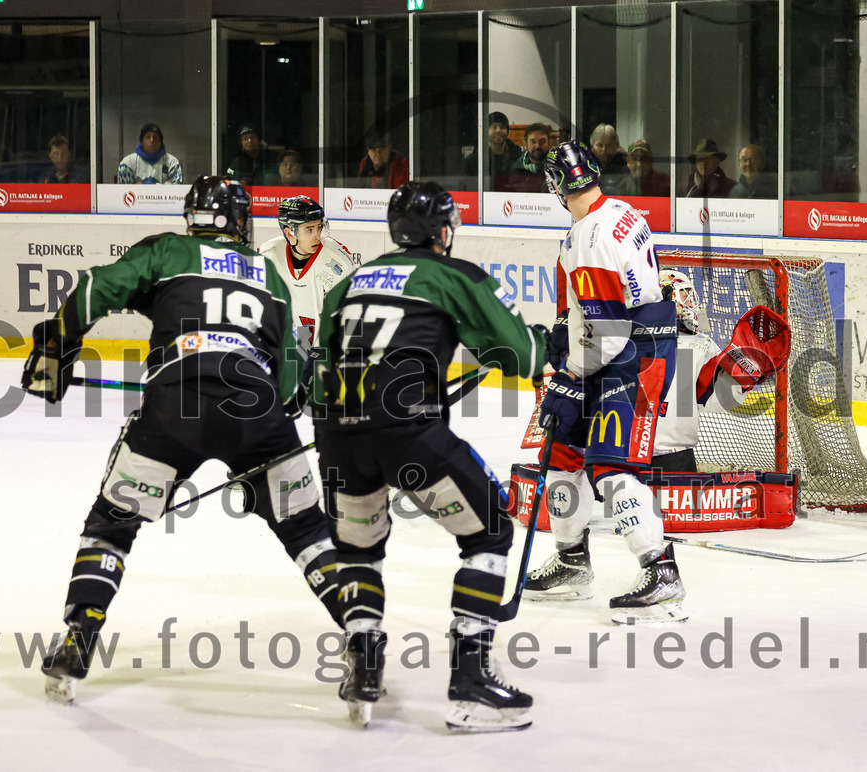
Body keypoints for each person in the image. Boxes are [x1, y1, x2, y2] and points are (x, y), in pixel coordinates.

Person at [24, 175, 342, 704]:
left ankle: (78, 638)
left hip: (175, 406)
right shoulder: (267, 271)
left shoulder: (168, 251)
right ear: (240, 222)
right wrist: (281, 417)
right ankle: (362, 643)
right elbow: (290, 383)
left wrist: (58, 345)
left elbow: (91, 289)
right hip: (258, 414)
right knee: (308, 528)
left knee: (113, 523)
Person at [312, 181, 547, 732]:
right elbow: (519, 355)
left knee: (358, 549)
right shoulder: (453, 275)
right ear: (443, 231)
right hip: (410, 438)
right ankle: (471, 679)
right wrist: (543, 345)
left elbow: (320, 375)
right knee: (489, 531)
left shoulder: (347, 284)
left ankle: (363, 668)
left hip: (339, 438)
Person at [525, 140, 686, 624]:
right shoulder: (620, 210)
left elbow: (610, 333)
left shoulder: (589, 237)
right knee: (561, 453)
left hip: (633, 358)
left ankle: (661, 574)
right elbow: (603, 305)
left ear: (555, 186)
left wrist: (570, 378)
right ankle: (573, 562)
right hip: (618, 345)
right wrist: (564, 329)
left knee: (609, 467)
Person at [649, 270, 787, 472]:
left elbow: (714, 400)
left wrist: (741, 378)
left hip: (674, 453)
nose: (690, 304)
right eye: (685, 296)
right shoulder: (629, 339)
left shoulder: (700, 345)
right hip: (628, 451)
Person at [257, 195, 359, 360]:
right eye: (309, 230)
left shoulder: (337, 264)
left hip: (324, 351)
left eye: (319, 227)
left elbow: (351, 322)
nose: (317, 236)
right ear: (289, 234)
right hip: (282, 347)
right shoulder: (269, 254)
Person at [462, 111, 522, 186]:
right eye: (494, 127)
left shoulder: (519, 159)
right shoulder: (472, 162)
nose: (498, 130)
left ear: (507, 131)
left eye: (502, 127)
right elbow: (464, 188)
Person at [116, 123, 182, 184]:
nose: (152, 140)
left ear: (160, 141)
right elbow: (124, 192)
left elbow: (175, 191)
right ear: (142, 141)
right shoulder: (128, 163)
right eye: (148, 137)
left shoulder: (172, 162)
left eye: (155, 137)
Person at [507, 122, 552, 190]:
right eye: (533, 142)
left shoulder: (556, 167)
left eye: (542, 141)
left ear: (549, 143)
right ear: (525, 144)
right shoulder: (516, 169)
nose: (537, 146)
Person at [589, 124, 628, 194]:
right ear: (592, 147)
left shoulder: (625, 165)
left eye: (609, 145)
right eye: (600, 145)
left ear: (616, 147)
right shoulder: (587, 166)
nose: (604, 149)